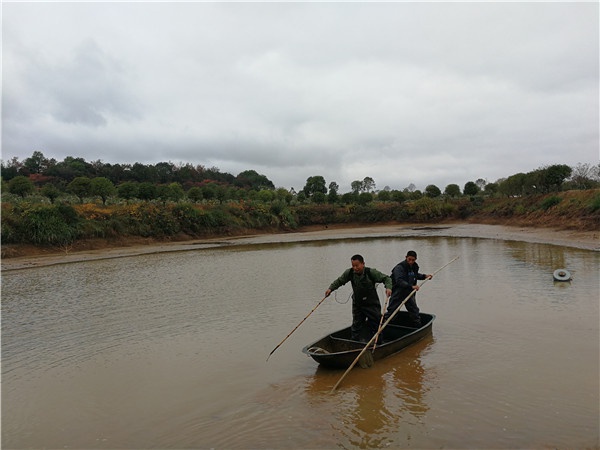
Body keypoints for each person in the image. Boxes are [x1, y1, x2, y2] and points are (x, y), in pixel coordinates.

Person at [325, 254, 392, 341]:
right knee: (356, 325)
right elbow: (340, 281)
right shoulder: (349, 273)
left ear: (363, 264)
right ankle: (355, 343)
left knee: (376, 324)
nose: (355, 268)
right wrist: (330, 289)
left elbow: (386, 278)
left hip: (371, 304)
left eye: (357, 265)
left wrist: (388, 288)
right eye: (353, 266)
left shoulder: (371, 272)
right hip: (358, 304)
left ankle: (378, 342)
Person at [385, 250, 432, 327]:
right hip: (398, 292)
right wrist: (411, 286)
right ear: (406, 257)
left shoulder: (414, 267)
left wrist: (424, 276)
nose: (410, 262)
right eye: (409, 259)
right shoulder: (399, 268)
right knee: (392, 311)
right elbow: (399, 281)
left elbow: (415, 275)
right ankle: (386, 327)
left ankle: (418, 327)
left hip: (409, 292)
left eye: (413, 260)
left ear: (415, 259)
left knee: (414, 311)